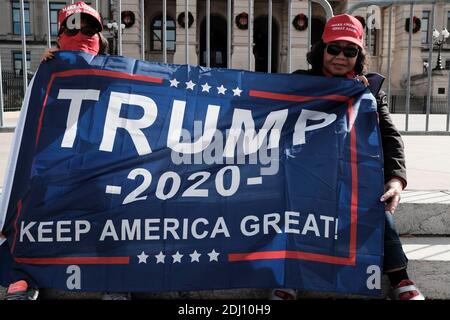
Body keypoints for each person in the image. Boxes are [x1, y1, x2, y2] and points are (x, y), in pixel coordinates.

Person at [270, 14, 424, 301]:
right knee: (289, 200)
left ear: (358, 55)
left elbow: (390, 137)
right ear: (321, 50)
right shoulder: (298, 83)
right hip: (304, 174)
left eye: (350, 51)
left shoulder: (369, 91)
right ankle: (288, 277)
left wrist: (396, 181)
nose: (341, 56)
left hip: (349, 175)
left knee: (374, 200)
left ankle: (400, 278)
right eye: (334, 49)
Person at [5, 1, 129, 301]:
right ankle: (22, 277)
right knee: (29, 207)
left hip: (99, 164)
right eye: (74, 28)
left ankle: (117, 280)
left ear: (100, 38)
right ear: (61, 34)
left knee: (116, 211)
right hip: (55, 164)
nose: (83, 35)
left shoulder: (117, 70)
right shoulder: (49, 71)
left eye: (89, 30)